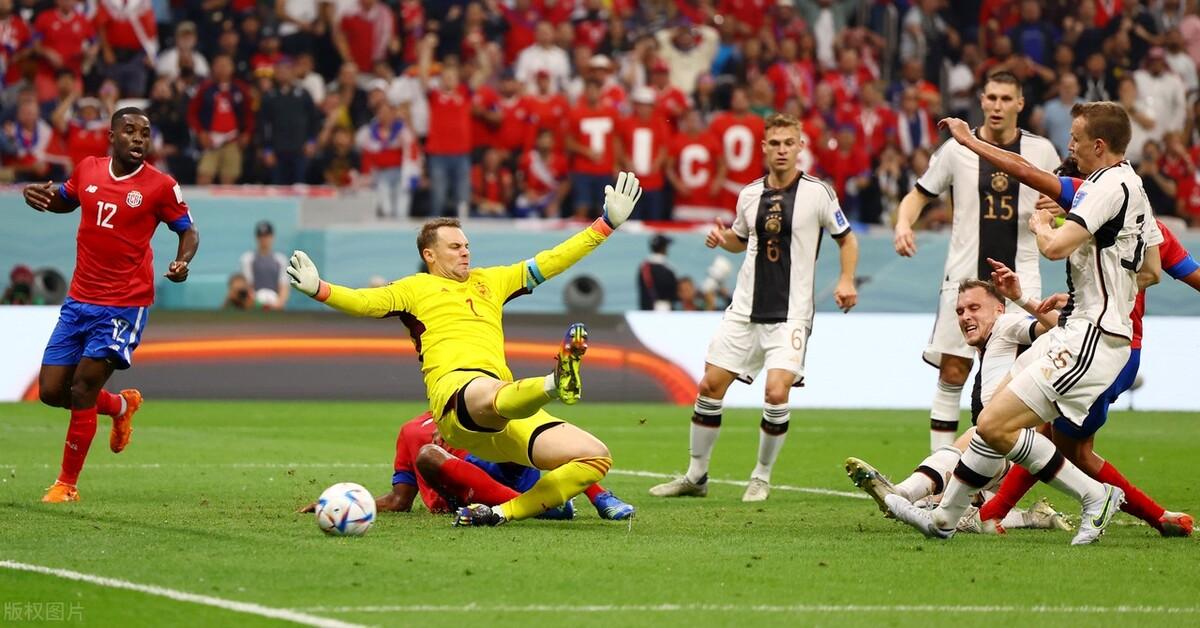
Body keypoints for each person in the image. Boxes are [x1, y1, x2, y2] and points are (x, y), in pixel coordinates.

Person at [286, 172, 644, 526]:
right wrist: (320, 289)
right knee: (490, 391)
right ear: (430, 254)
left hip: (506, 411)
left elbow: (553, 259)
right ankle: (554, 382)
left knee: (595, 457)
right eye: (455, 247)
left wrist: (606, 225)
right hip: (456, 398)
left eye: (467, 245)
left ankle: (501, 512)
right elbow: (364, 302)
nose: (465, 252)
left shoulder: (492, 280)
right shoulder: (413, 289)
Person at [886, 102, 1159, 545]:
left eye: (1075, 138)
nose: (1069, 145)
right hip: (1079, 326)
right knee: (990, 422)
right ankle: (943, 520)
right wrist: (1097, 290)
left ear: (1099, 145)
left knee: (998, 425)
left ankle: (1095, 495)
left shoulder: (1106, 188)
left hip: (1092, 337)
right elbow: (1151, 270)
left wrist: (1040, 224)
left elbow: (1054, 247)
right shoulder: (1133, 187)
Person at [937, 119, 1195, 537]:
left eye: (1076, 140)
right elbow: (1146, 273)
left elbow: (1176, 274)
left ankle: (987, 512)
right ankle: (1158, 518)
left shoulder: (1106, 201)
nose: (1052, 200)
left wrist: (970, 143)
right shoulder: (1120, 201)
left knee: (1043, 435)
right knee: (1064, 444)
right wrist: (1078, 297)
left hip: (1110, 345)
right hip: (1086, 333)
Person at [648, 114, 859, 503]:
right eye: (774, 143)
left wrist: (846, 280)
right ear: (764, 148)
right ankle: (696, 476)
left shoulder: (818, 193)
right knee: (709, 386)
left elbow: (846, 239)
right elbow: (740, 240)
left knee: (776, 392)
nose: (782, 150)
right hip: (744, 310)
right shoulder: (749, 195)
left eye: (789, 143)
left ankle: (761, 476)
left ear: (800, 147)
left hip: (791, 314)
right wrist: (722, 238)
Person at [22, 107, 199, 503]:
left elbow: (188, 231)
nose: (138, 138)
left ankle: (66, 485)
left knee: (83, 386)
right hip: (79, 300)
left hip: (124, 304)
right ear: (112, 137)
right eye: (130, 131)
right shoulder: (88, 169)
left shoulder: (160, 186)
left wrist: (182, 261)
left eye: (145, 133)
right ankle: (120, 406)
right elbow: (67, 199)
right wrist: (42, 199)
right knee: (51, 391)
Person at [892, 71, 1060, 453]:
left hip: (1020, 281)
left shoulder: (1041, 151)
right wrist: (903, 223)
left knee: (1019, 378)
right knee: (954, 369)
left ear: (1020, 104)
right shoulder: (956, 149)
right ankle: (940, 468)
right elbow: (918, 194)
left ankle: (1006, 473)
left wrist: (1059, 208)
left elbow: (1066, 205)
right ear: (982, 101)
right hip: (964, 277)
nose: (997, 106)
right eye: (992, 98)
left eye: (1006, 98)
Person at [847, 278, 1071, 534]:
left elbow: (1059, 326)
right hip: (1005, 458)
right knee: (942, 506)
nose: (965, 316)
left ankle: (902, 492)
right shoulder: (990, 350)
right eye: (960, 311)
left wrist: (1021, 299)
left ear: (999, 309)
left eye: (974, 308)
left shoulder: (1007, 325)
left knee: (975, 438)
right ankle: (1033, 516)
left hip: (1017, 450)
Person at [300, 411, 635, 521]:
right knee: (429, 455)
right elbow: (400, 500)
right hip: (464, 493)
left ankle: (601, 496)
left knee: (525, 423)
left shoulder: (472, 410)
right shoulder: (411, 431)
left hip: (510, 470)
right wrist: (346, 505)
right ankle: (542, 508)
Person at [239, 221, 289, 310]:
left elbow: (284, 287)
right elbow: (248, 286)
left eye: (266, 236)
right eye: (261, 236)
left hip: (276, 307)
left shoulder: (281, 260)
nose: (264, 239)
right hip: (255, 307)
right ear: (256, 238)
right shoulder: (247, 259)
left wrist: (277, 304)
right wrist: (258, 303)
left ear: (272, 237)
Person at [636, 234, 677, 311]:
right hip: (666, 311)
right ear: (663, 248)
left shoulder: (643, 268)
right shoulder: (668, 269)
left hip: (646, 311)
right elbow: (674, 294)